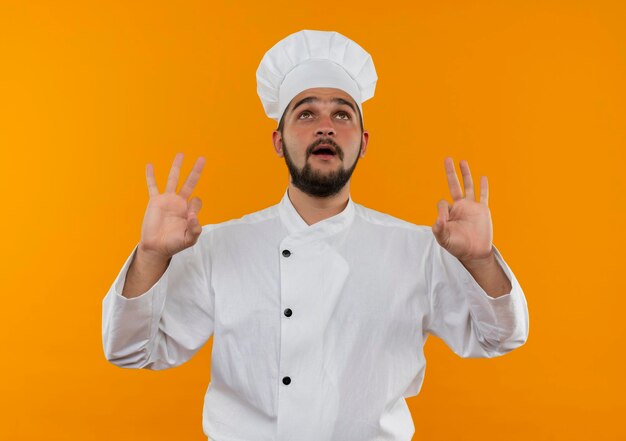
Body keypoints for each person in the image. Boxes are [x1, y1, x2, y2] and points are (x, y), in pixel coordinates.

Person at [102, 29, 529, 441]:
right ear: (277, 140)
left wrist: (480, 262)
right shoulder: (218, 247)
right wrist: (152, 255)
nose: (325, 126)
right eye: (306, 113)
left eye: (341, 114)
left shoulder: (418, 250)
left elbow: (500, 337)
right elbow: (130, 351)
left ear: (362, 143)